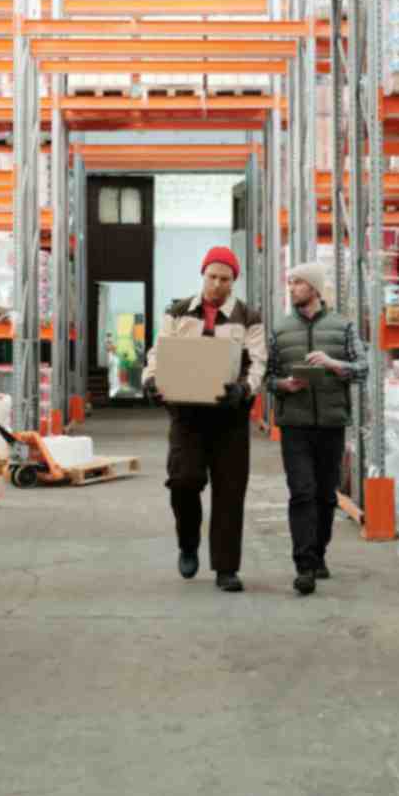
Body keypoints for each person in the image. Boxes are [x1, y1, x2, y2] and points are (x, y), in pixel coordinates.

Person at [142, 247, 267, 593]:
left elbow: (258, 362)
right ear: (203, 275)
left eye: (224, 279)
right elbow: (159, 351)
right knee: (183, 481)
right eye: (212, 276)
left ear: (233, 281)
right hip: (186, 414)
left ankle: (226, 569)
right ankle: (188, 543)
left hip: (229, 418)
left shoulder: (248, 316)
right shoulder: (179, 311)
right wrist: (150, 380)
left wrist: (244, 390)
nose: (216, 284)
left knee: (229, 492)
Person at [266, 261, 368, 596]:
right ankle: (304, 566)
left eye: (297, 282)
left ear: (314, 287)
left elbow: (363, 370)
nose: (291, 287)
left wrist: (334, 364)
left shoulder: (343, 327)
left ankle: (319, 552)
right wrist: (284, 384)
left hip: (331, 423)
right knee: (302, 492)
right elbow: (267, 378)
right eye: (290, 282)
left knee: (326, 494)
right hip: (294, 424)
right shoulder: (280, 330)